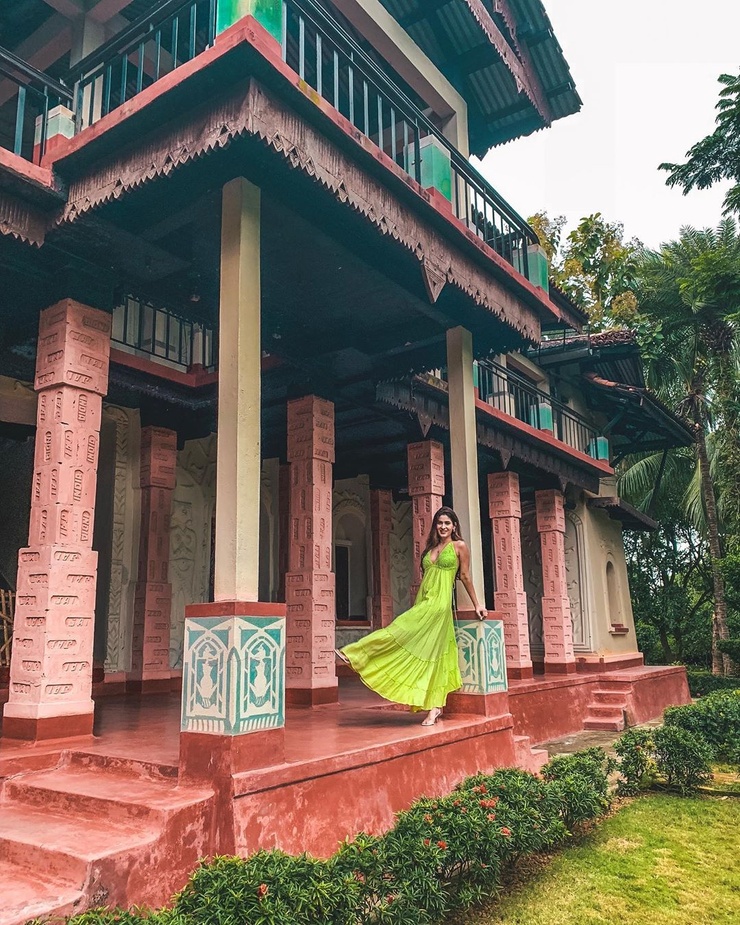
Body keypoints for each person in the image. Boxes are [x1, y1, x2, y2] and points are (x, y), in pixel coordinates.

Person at [337, 506, 487, 726]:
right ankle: (435, 707)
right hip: (424, 601)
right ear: (436, 526)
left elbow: (464, 576)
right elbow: (427, 578)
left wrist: (478, 604)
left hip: (438, 605)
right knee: (431, 654)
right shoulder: (431, 549)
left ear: (454, 526)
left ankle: (356, 652)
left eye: (447, 523)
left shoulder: (459, 546)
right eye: (440, 523)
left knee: (398, 629)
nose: (443, 526)